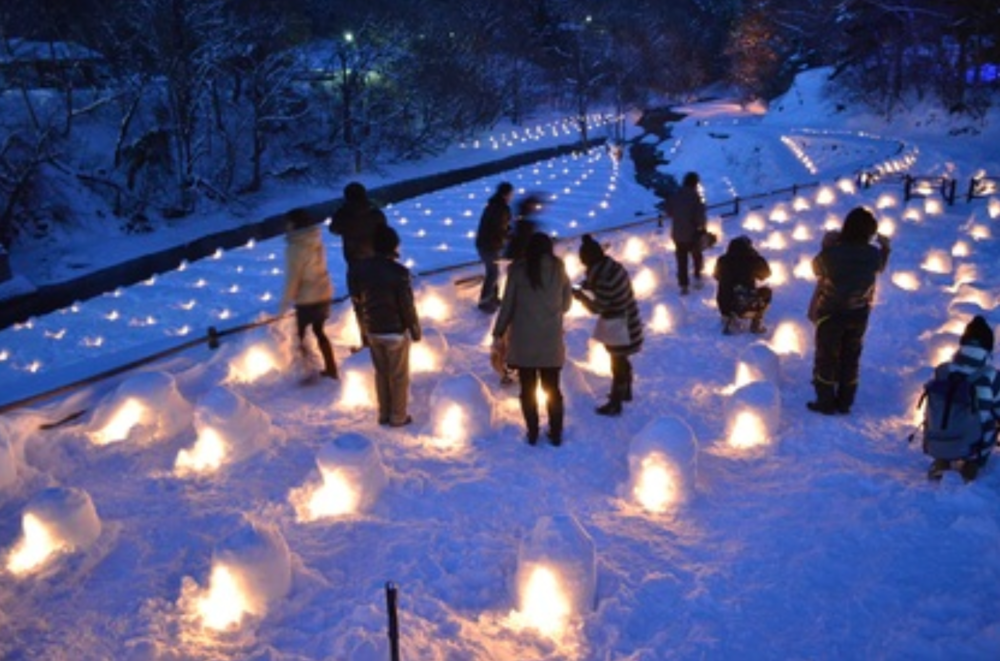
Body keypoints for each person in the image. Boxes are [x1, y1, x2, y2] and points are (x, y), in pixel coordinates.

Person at [807, 206, 891, 415]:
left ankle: (825, 400)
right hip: (858, 313)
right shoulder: (872, 254)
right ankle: (845, 401)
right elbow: (880, 267)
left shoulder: (833, 254)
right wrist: (885, 249)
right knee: (850, 355)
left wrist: (826, 246)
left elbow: (817, 269)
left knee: (826, 356)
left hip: (831, 313)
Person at [492, 232, 572, 445]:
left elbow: (507, 305)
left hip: (524, 341)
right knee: (552, 388)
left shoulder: (517, 270)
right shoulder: (559, 268)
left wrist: (498, 332)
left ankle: (533, 432)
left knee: (527, 389)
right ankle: (556, 433)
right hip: (550, 339)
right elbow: (566, 304)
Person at [349, 224, 422, 427]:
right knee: (399, 375)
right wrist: (415, 330)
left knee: (381, 373)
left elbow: (356, 299)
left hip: (373, 329)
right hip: (395, 331)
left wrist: (364, 327)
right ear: (393, 246)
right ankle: (398, 416)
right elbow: (406, 305)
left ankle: (384, 414)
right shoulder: (398, 272)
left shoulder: (360, 269)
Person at [573, 234, 643, 416]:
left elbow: (599, 306)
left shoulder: (604, 277)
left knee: (617, 361)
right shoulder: (610, 267)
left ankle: (616, 402)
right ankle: (625, 391)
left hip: (619, 324)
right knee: (622, 359)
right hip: (627, 318)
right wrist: (585, 287)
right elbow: (594, 285)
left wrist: (580, 297)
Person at [925, 315, 1000, 482]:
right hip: (971, 445)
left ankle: (942, 460)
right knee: (989, 421)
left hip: (936, 441)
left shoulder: (943, 371)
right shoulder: (991, 376)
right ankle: (972, 464)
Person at [278, 208, 337, 380]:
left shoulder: (295, 247)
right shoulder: (316, 240)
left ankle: (308, 371)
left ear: (293, 224)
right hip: (323, 292)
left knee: (301, 335)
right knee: (319, 331)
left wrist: (284, 304)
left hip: (307, 297)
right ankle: (331, 368)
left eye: (287, 222)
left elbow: (293, 278)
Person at [329, 181, 388, 349]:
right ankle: (386, 335)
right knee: (381, 300)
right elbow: (385, 231)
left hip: (356, 266)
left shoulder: (343, 216)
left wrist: (342, 210)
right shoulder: (375, 213)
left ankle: (368, 341)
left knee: (361, 306)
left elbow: (333, 229)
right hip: (378, 264)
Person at [713, 235, 773, 335]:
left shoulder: (722, 260)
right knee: (766, 292)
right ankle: (756, 322)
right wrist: (756, 256)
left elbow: (716, 276)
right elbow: (766, 274)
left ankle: (729, 317)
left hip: (724, 304)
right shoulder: (751, 260)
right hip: (744, 304)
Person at [474, 182, 514, 313]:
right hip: (489, 245)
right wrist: (509, 236)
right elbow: (499, 228)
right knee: (493, 272)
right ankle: (484, 301)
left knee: (493, 271)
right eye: (511, 193)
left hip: (485, 244)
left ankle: (493, 297)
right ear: (506, 194)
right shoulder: (501, 208)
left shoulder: (493, 205)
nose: (512, 196)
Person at [666, 172, 708, 295]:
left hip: (678, 233)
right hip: (692, 233)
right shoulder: (695, 197)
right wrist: (702, 228)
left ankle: (683, 285)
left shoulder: (675, 195)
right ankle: (697, 276)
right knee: (696, 255)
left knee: (681, 259)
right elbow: (700, 216)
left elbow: (669, 211)